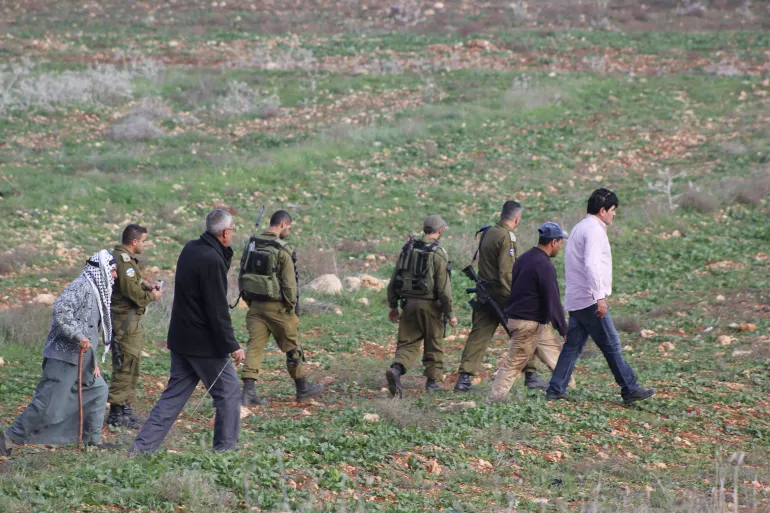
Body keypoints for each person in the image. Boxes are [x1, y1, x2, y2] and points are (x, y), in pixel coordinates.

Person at [131, 210, 244, 454]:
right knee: (229, 391)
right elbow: (217, 309)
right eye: (232, 230)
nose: (233, 234)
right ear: (225, 232)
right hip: (203, 344)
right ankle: (225, 451)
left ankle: (141, 448)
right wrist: (232, 345)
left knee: (173, 397)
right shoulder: (212, 260)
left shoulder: (191, 248)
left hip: (181, 338)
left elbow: (212, 280)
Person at [0, 251, 118, 456]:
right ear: (102, 270)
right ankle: (9, 438)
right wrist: (78, 336)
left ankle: (92, 439)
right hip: (64, 357)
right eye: (113, 270)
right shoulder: (80, 286)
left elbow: (91, 329)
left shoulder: (96, 292)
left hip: (84, 359)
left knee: (98, 390)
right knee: (47, 404)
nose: (115, 275)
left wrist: (93, 361)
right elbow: (61, 311)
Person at [546, 189, 655, 405]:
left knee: (572, 347)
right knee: (611, 344)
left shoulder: (580, 227)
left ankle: (555, 390)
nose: (614, 214)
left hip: (577, 298)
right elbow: (591, 265)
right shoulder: (594, 231)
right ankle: (630, 388)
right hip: (589, 299)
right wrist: (600, 297)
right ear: (602, 210)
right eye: (612, 210)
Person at [455, 201, 548, 392]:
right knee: (526, 332)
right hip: (503, 295)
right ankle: (531, 375)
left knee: (479, 335)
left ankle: (463, 379)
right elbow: (507, 272)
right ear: (517, 219)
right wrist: (516, 297)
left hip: (485, 293)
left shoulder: (488, 232)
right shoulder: (507, 237)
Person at [238, 210, 324, 405]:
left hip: (255, 306)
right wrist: (291, 308)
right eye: (289, 227)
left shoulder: (252, 244)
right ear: (283, 224)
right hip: (278, 308)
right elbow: (290, 285)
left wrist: (249, 301)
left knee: (254, 347)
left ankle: (248, 393)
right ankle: (302, 389)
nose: (289, 231)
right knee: (293, 347)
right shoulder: (282, 249)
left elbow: (242, 274)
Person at [487, 223, 575, 402]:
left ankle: (565, 388)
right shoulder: (544, 265)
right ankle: (494, 399)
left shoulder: (524, 258)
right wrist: (564, 329)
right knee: (514, 363)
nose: (561, 246)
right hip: (527, 323)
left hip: (535, 322)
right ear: (553, 242)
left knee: (556, 354)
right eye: (560, 242)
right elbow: (552, 299)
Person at [385, 215, 457, 397]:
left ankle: (396, 369)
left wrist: (393, 305)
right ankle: (432, 382)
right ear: (440, 230)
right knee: (434, 343)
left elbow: (394, 279)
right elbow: (444, 288)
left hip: (409, 304)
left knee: (407, 343)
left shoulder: (409, 249)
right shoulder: (438, 253)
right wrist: (450, 313)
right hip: (431, 307)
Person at [107, 224, 164, 429]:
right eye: (143, 241)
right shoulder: (124, 261)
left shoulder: (123, 259)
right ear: (134, 242)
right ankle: (117, 412)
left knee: (131, 364)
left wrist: (146, 285)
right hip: (125, 321)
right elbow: (132, 293)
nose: (144, 245)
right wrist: (152, 296)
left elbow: (131, 285)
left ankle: (125, 407)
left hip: (128, 320)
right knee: (125, 365)